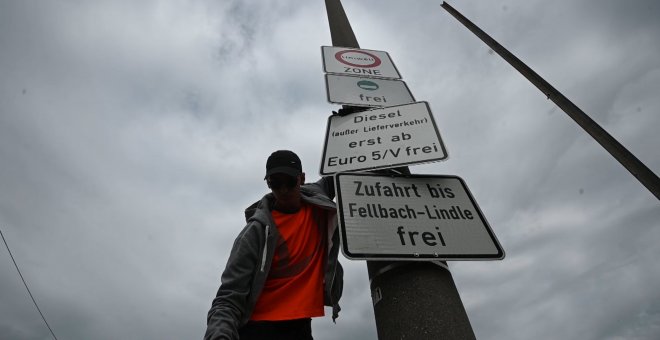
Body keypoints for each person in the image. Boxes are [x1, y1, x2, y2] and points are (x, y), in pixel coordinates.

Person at [204, 150, 343, 340]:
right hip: (257, 329)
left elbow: (342, 173)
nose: (283, 190)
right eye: (275, 183)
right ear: (268, 184)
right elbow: (228, 298)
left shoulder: (317, 198)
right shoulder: (255, 233)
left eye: (289, 182)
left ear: (301, 179)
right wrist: (219, 336)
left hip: (300, 325)